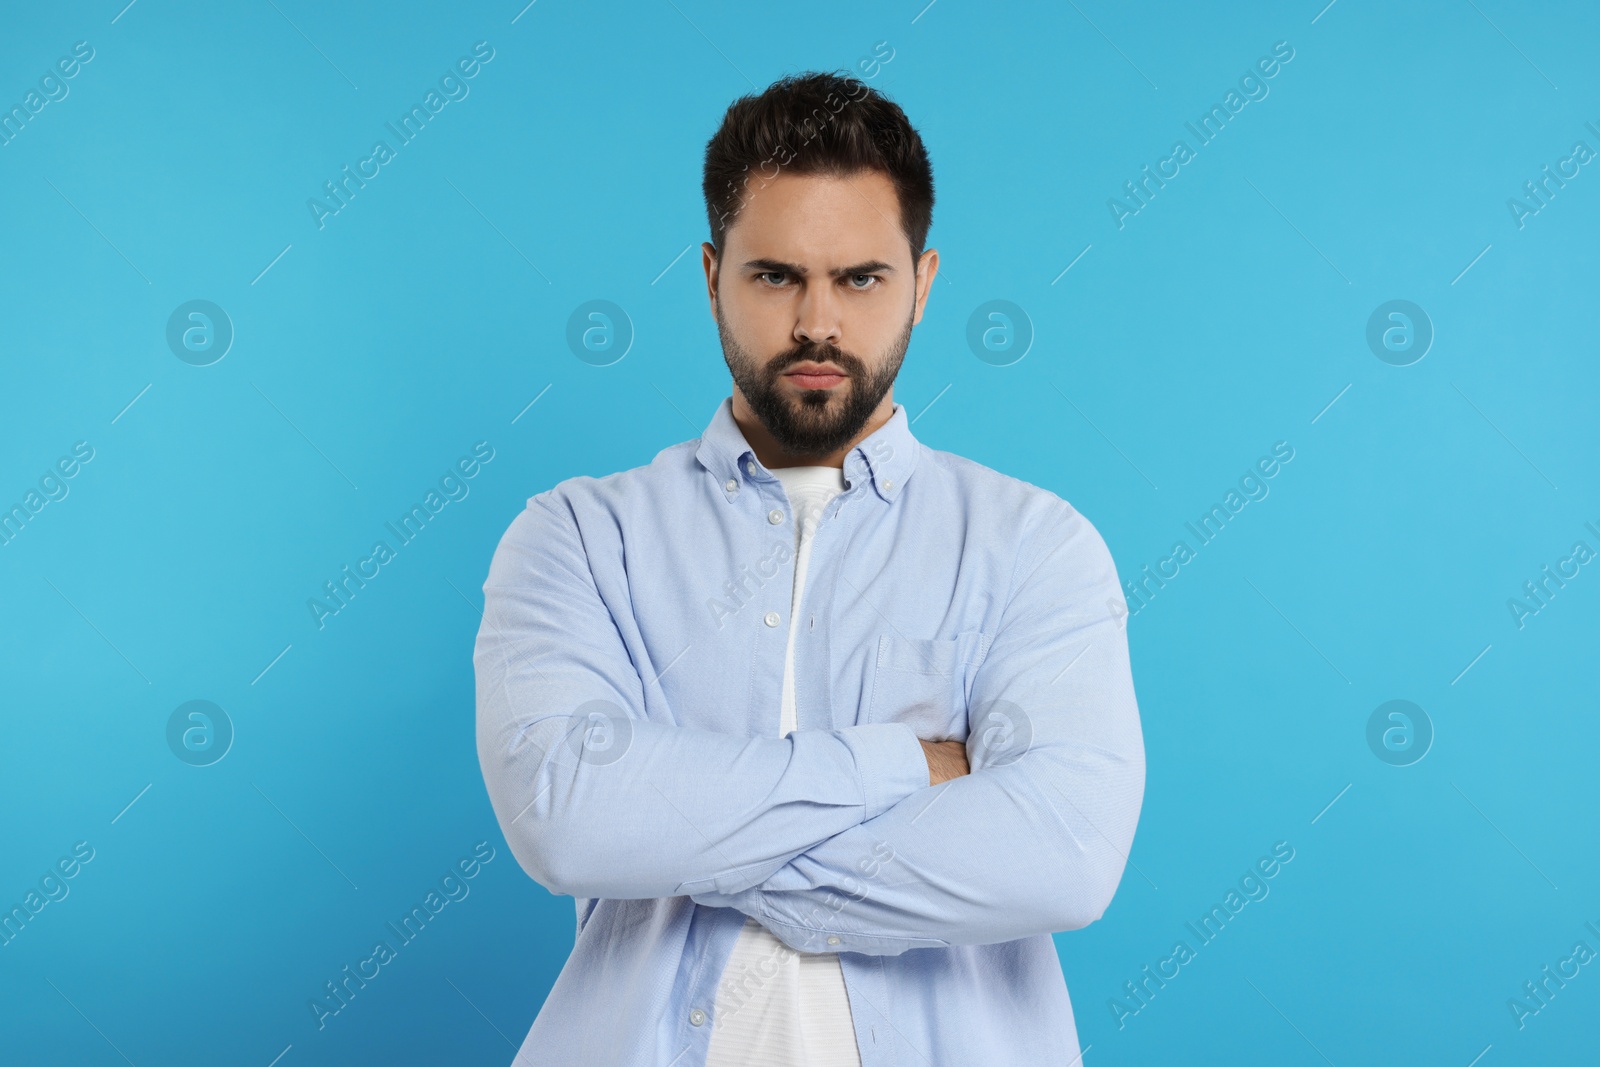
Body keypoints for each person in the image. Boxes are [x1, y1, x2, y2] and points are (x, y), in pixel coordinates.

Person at [474, 69, 1145, 1067]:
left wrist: (684, 837)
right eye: (775, 275)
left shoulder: (1031, 546)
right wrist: (906, 763)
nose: (816, 322)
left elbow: (1065, 856)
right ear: (710, 278)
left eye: (861, 277)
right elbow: (570, 823)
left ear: (922, 283)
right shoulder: (579, 536)